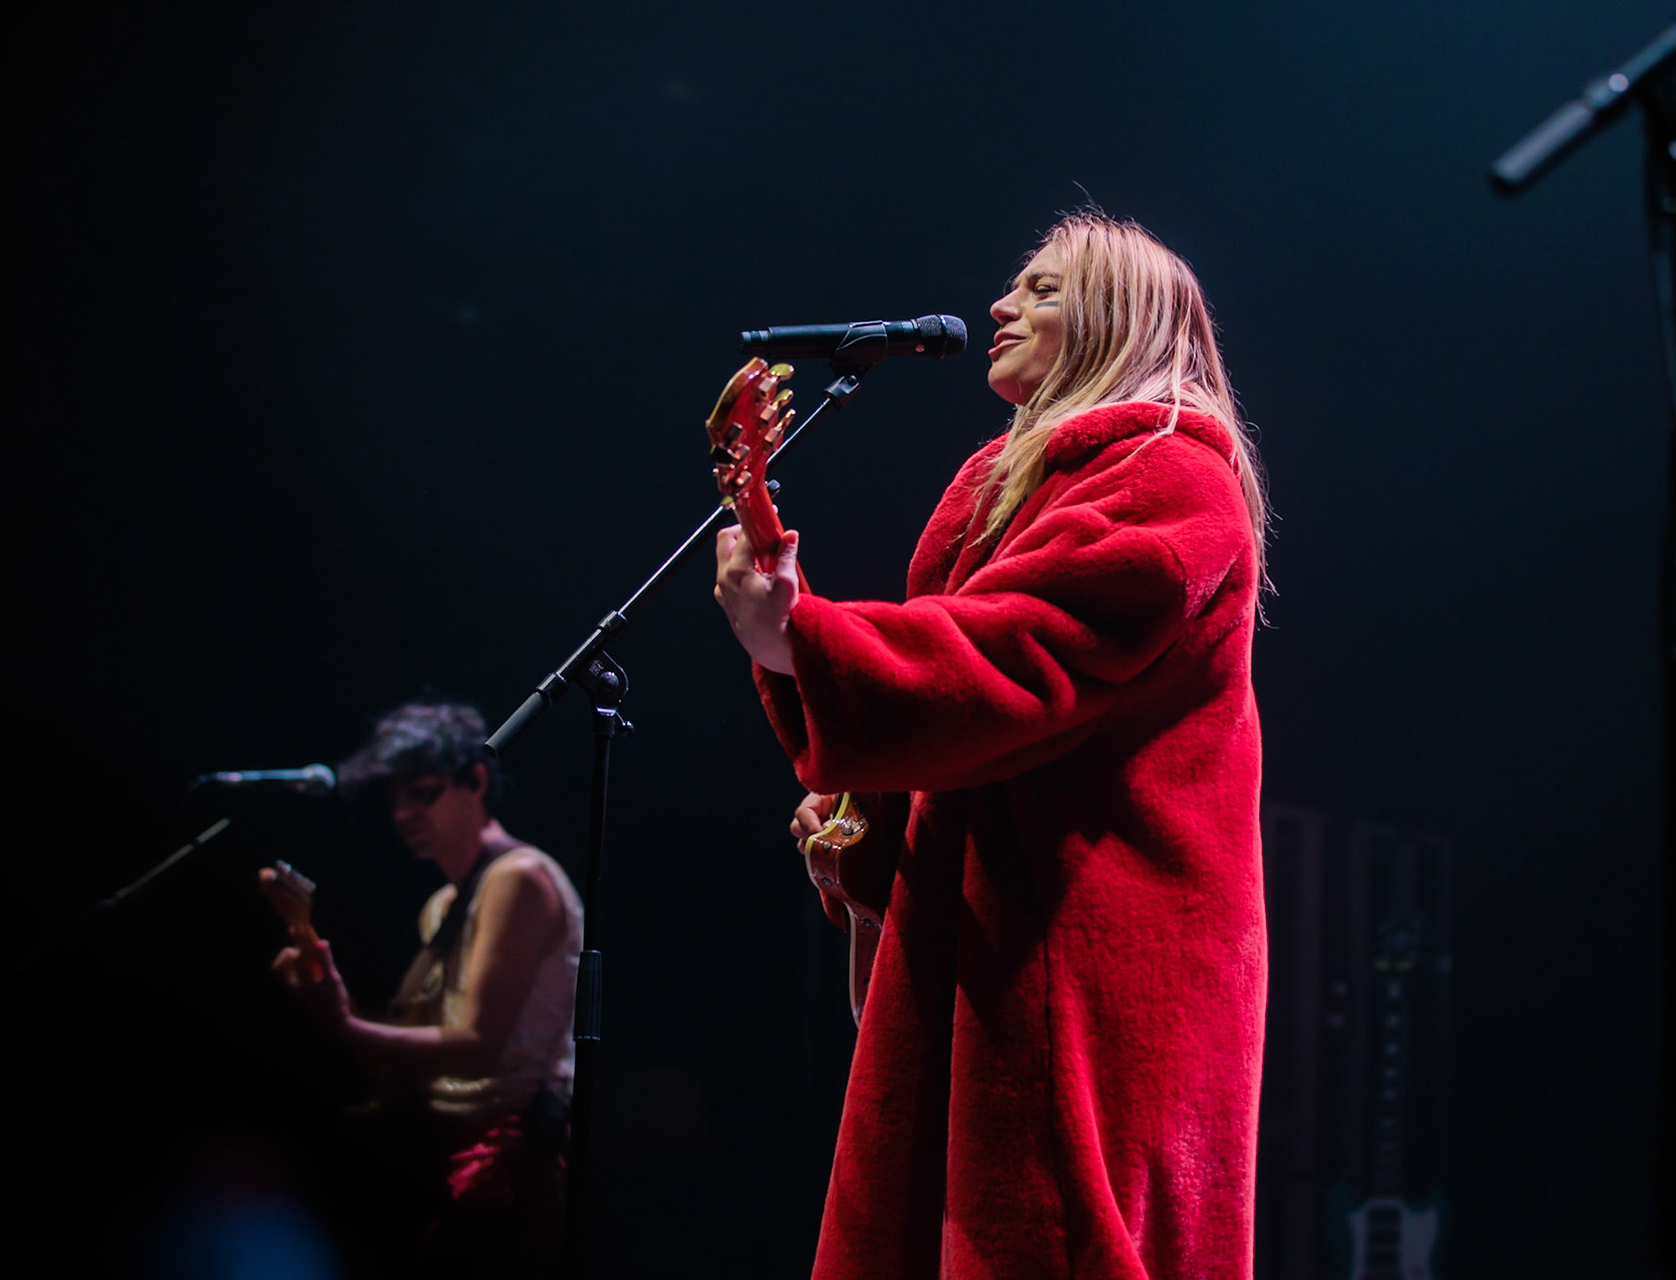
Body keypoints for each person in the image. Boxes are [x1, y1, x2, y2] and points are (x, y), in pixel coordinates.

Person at [715, 211, 1271, 1279]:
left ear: (1122, 320)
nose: (1001, 307)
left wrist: (805, 640)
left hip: (1090, 941)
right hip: (1004, 926)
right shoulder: (1009, 482)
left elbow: (1022, 656)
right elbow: (982, 695)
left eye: (1045, 289)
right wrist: (866, 827)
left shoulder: (1170, 475)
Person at [269, 702, 582, 1279]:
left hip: (505, 1159)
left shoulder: (518, 878)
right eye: (396, 798)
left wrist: (344, 1024)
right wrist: (332, 1003)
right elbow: (419, 1041)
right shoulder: (443, 905)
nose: (404, 812)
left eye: (424, 792)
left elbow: (479, 1044)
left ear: (476, 779)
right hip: (453, 1148)